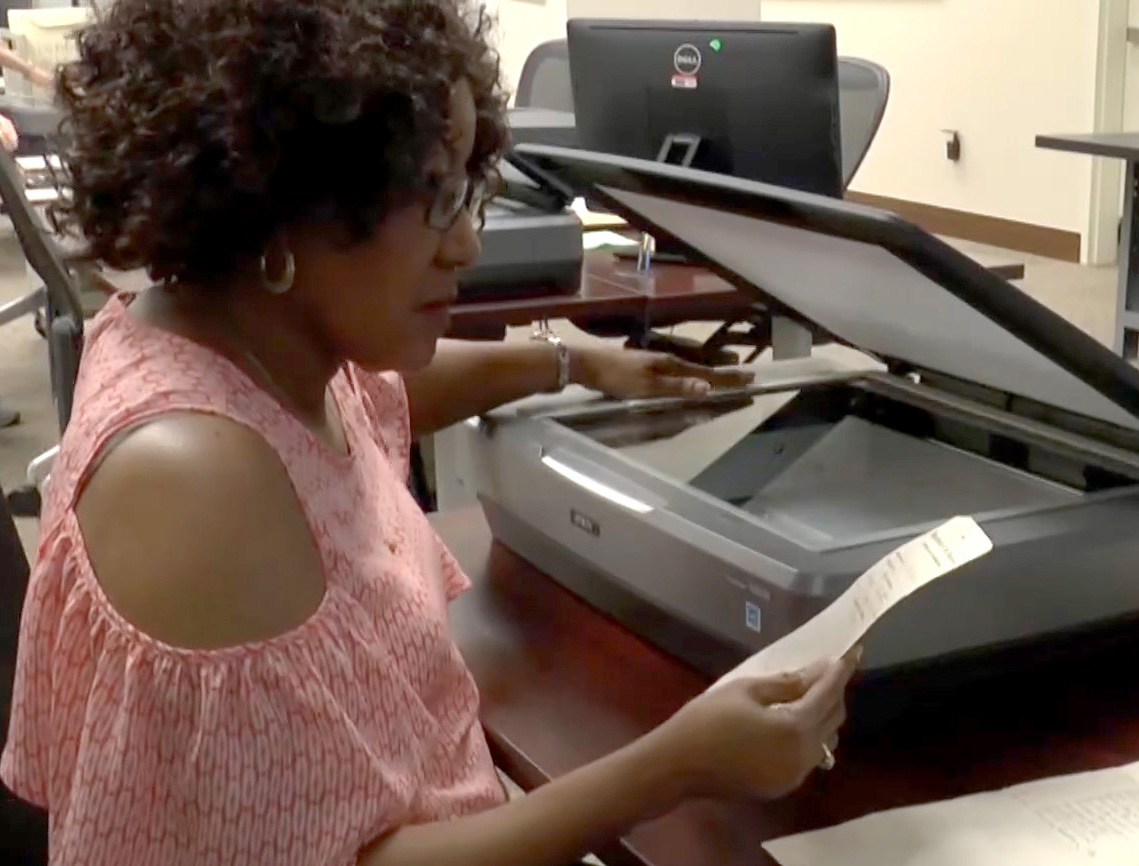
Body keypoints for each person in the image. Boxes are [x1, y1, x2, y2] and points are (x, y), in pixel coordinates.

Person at [0, 2, 859, 865]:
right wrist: (679, 764)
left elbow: (382, 396)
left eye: (468, 191)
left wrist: (570, 363)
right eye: (435, 197)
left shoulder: (238, 342)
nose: (468, 245)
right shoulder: (199, 477)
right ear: (285, 200)